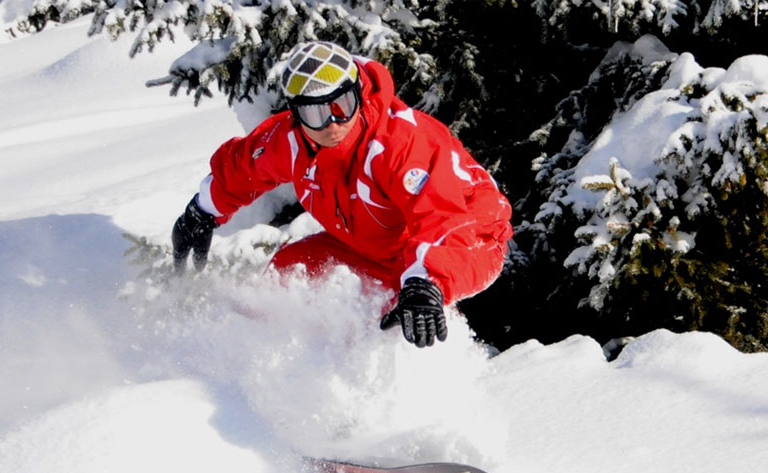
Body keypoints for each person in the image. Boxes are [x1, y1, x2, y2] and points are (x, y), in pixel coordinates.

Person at [172, 41, 513, 348]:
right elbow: (244, 166)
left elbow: (441, 218)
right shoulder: (294, 142)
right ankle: (261, 356)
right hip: (375, 244)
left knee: (398, 324)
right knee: (291, 273)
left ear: (358, 94)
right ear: (296, 114)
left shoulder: (400, 145)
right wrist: (202, 211)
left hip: (468, 235)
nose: (333, 123)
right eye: (316, 113)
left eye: (342, 105)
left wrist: (426, 284)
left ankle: (398, 393)